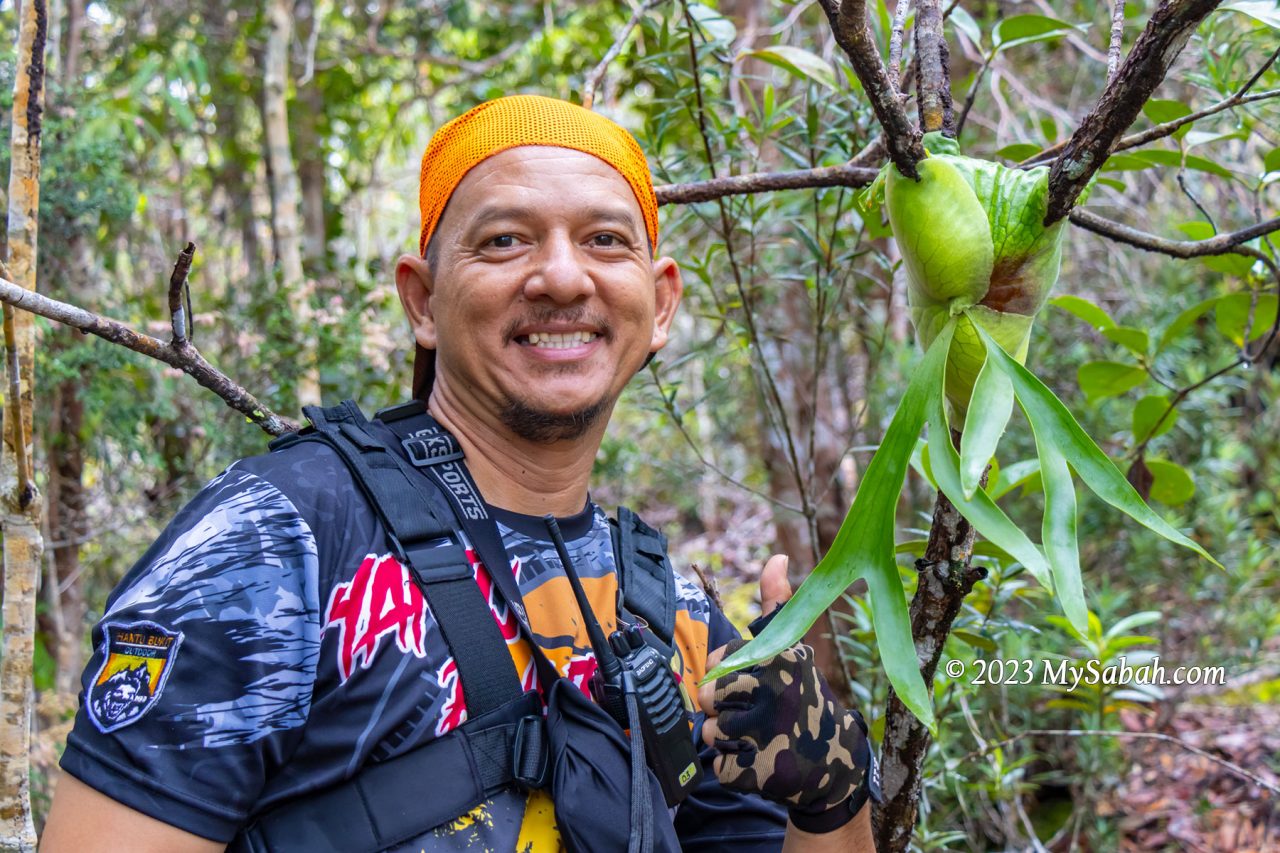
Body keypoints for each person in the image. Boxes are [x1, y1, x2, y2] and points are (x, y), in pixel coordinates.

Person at [41, 95, 877, 852]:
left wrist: (829, 786)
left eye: (605, 240)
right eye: (506, 239)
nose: (560, 276)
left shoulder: (672, 614)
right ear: (421, 299)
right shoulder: (279, 541)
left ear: (659, 305)